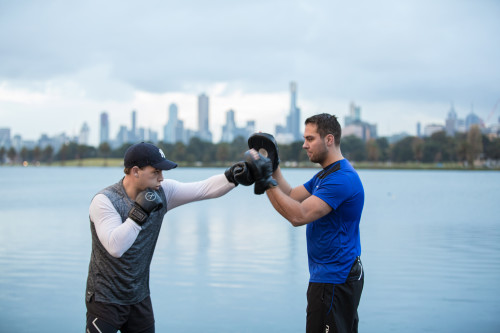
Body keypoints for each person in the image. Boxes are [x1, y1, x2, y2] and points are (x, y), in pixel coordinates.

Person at [85, 142, 251, 333]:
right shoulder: (105, 201)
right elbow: (116, 247)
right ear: (136, 171)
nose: (162, 178)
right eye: (156, 171)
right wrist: (139, 213)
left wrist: (233, 176)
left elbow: (203, 189)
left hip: (139, 298)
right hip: (105, 300)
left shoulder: (162, 192)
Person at [244, 114, 365, 333]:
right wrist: (273, 166)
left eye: (310, 139)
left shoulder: (341, 179)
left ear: (329, 139)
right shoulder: (326, 175)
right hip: (332, 276)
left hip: (334, 281)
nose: (304, 145)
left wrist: (265, 180)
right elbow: (290, 194)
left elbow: (298, 216)